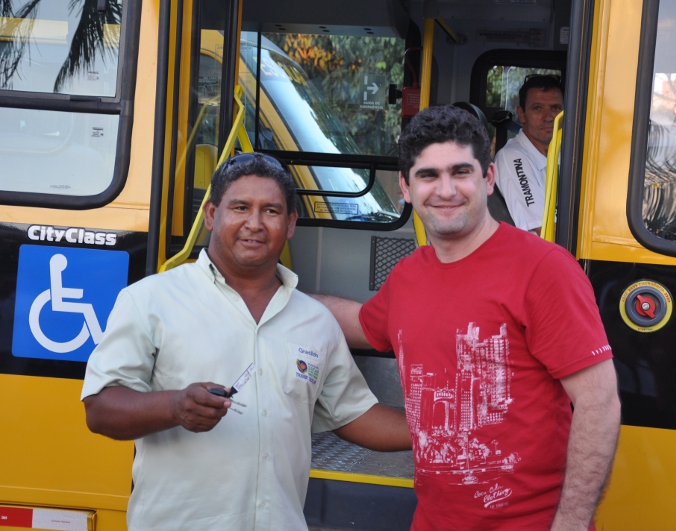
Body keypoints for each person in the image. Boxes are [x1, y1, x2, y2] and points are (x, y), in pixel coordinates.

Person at [313, 106, 620, 531]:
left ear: (488, 178)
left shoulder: (543, 269)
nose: (446, 190)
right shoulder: (408, 276)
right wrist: (269, 292)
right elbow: (360, 323)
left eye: (460, 172)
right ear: (405, 187)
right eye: (428, 175)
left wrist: (570, 525)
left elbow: (599, 403)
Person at [81, 153, 411, 531]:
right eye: (240, 207)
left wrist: (448, 430)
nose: (254, 224)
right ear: (211, 215)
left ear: (290, 224)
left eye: (271, 211)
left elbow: (355, 415)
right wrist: (174, 406)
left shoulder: (315, 321)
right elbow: (100, 409)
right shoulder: (150, 300)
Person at [494, 74, 564, 234]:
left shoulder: (565, 153)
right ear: (522, 114)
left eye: (555, 108)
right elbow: (546, 231)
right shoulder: (512, 158)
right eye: (537, 108)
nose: (548, 117)